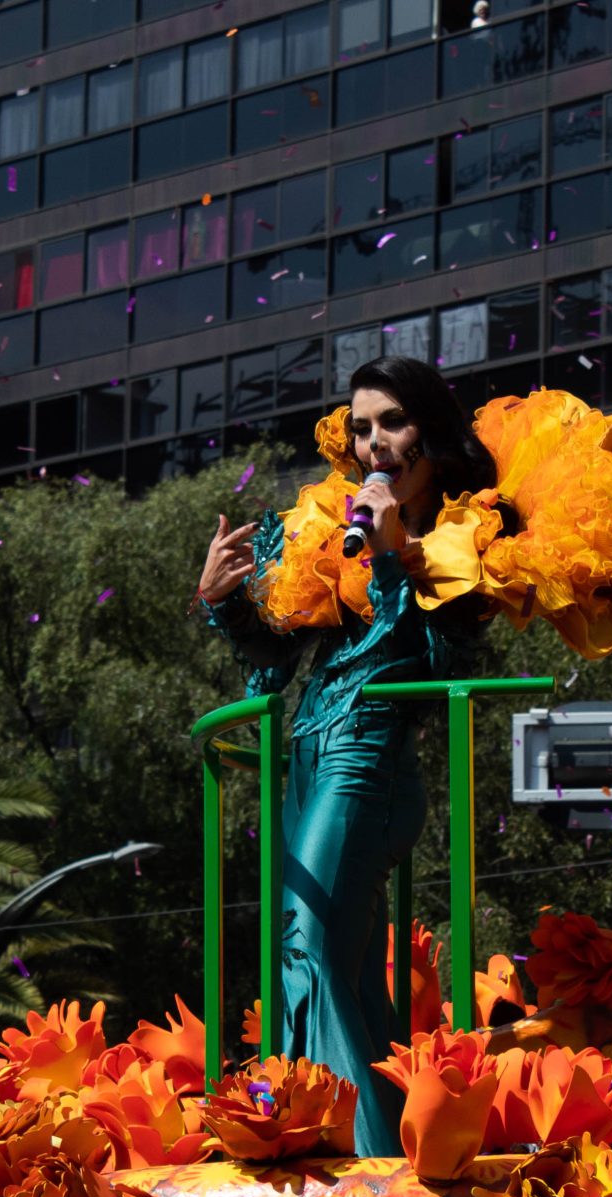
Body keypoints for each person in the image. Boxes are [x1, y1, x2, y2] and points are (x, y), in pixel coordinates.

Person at [196, 356, 495, 1153]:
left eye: (392, 422)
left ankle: (353, 1165)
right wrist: (221, 603)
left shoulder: (469, 535)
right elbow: (276, 661)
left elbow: (435, 664)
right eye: (361, 427)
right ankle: (351, 1136)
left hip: (370, 757)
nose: (374, 444)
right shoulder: (339, 528)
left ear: (429, 430)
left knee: (313, 943)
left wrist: (397, 554)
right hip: (308, 752)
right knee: (338, 964)